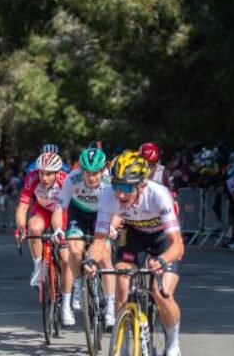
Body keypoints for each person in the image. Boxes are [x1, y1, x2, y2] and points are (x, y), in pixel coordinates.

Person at [85, 150, 184, 356]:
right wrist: (92, 261)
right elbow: (99, 240)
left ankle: (173, 344)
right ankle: (122, 346)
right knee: (122, 282)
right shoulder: (107, 198)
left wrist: (163, 260)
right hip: (134, 235)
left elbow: (178, 245)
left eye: (126, 187)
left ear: (141, 184)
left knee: (162, 293)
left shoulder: (158, 195)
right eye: (116, 185)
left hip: (163, 239)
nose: (120, 194)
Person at [57, 148, 115, 327]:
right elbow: (59, 208)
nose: (92, 178)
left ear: (103, 170)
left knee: (105, 254)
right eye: (88, 173)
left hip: (101, 215)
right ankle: (78, 283)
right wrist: (58, 228)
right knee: (74, 249)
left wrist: (112, 226)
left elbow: (117, 208)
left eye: (96, 173)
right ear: (81, 170)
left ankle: (111, 308)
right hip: (78, 214)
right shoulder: (72, 178)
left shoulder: (109, 182)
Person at [15, 152, 70, 290]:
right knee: (33, 227)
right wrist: (21, 228)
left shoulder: (66, 181)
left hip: (61, 210)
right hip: (42, 208)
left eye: (49, 174)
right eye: (41, 173)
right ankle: (39, 267)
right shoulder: (32, 178)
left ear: (58, 173)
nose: (44, 178)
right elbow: (22, 207)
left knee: (65, 257)